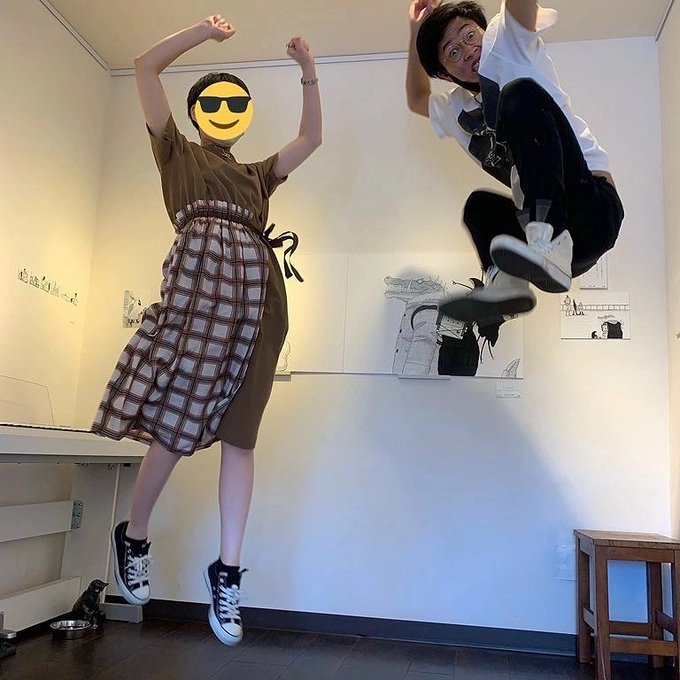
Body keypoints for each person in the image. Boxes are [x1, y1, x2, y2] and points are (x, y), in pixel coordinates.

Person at [91, 14, 321, 646]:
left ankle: (228, 572)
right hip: (198, 300)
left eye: (235, 104)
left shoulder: (257, 176)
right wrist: (203, 33)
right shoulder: (177, 154)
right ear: (194, 113)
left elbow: (311, 138)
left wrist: (308, 71)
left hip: (259, 308)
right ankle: (135, 534)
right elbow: (144, 66)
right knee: (176, 419)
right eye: (214, 103)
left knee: (241, 438)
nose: (225, 111)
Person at [405, 0, 624, 323]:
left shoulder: (507, 42)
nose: (468, 51)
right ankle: (507, 286)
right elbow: (416, 99)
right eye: (453, 53)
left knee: (519, 94)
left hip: (592, 211)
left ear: (484, 30)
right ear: (444, 74)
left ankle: (548, 238)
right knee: (480, 207)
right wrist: (415, 31)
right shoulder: (457, 109)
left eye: (469, 35)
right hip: (562, 257)